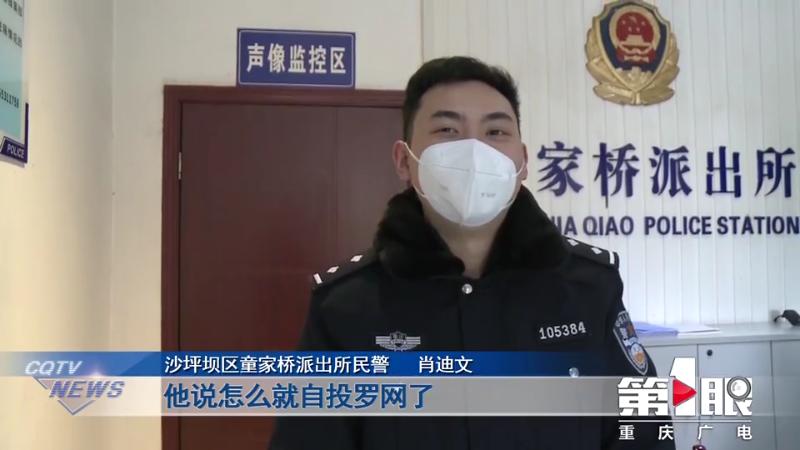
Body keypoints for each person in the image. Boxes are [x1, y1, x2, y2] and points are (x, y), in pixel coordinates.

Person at [269, 56, 674, 450]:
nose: (475, 150)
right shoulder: (346, 308)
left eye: (496, 132)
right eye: (447, 129)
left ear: (522, 162)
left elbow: (644, 431)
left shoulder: (588, 288)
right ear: (404, 161)